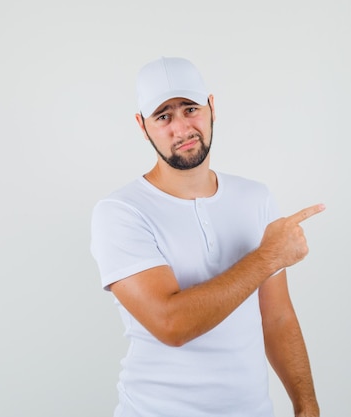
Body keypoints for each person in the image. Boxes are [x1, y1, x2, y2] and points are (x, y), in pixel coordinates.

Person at [91, 56, 324, 417]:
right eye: (163, 116)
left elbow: (277, 317)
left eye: (190, 109)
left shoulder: (255, 197)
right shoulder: (121, 212)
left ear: (212, 107)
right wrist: (269, 256)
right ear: (142, 126)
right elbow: (172, 325)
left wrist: (307, 406)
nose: (182, 129)